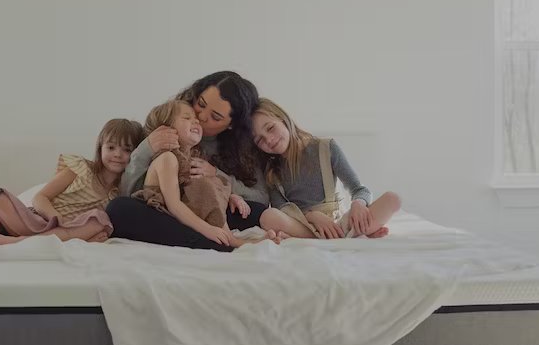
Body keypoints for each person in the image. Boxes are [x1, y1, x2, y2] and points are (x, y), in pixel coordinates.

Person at [108, 71, 270, 250]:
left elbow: (261, 197)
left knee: (254, 210)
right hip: (167, 211)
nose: (200, 117)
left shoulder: (241, 148)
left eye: (215, 116)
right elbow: (127, 191)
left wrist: (218, 176)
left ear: (231, 125)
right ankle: (212, 241)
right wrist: (146, 149)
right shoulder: (171, 121)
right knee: (120, 209)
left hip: (209, 210)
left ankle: (221, 238)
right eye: (200, 104)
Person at [253, 98, 401, 239]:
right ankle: (341, 237)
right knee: (268, 216)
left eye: (270, 128)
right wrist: (312, 216)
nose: (269, 139)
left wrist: (358, 204)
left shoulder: (325, 147)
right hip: (304, 224)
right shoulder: (271, 171)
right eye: (260, 140)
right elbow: (282, 209)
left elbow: (359, 189)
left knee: (392, 199)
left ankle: (341, 234)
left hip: (336, 223)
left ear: (283, 119)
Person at [0, 119, 144, 245]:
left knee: (100, 219)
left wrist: (87, 237)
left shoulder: (119, 194)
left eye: (126, 150)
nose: (117, 154)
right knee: (0, 200)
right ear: (100, 148)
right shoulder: (80, 169)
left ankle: (19, 242)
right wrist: (56, 217)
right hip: (41, 222)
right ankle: (38, 239)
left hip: (69, 232)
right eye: (111, 147)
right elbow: (40, 197)